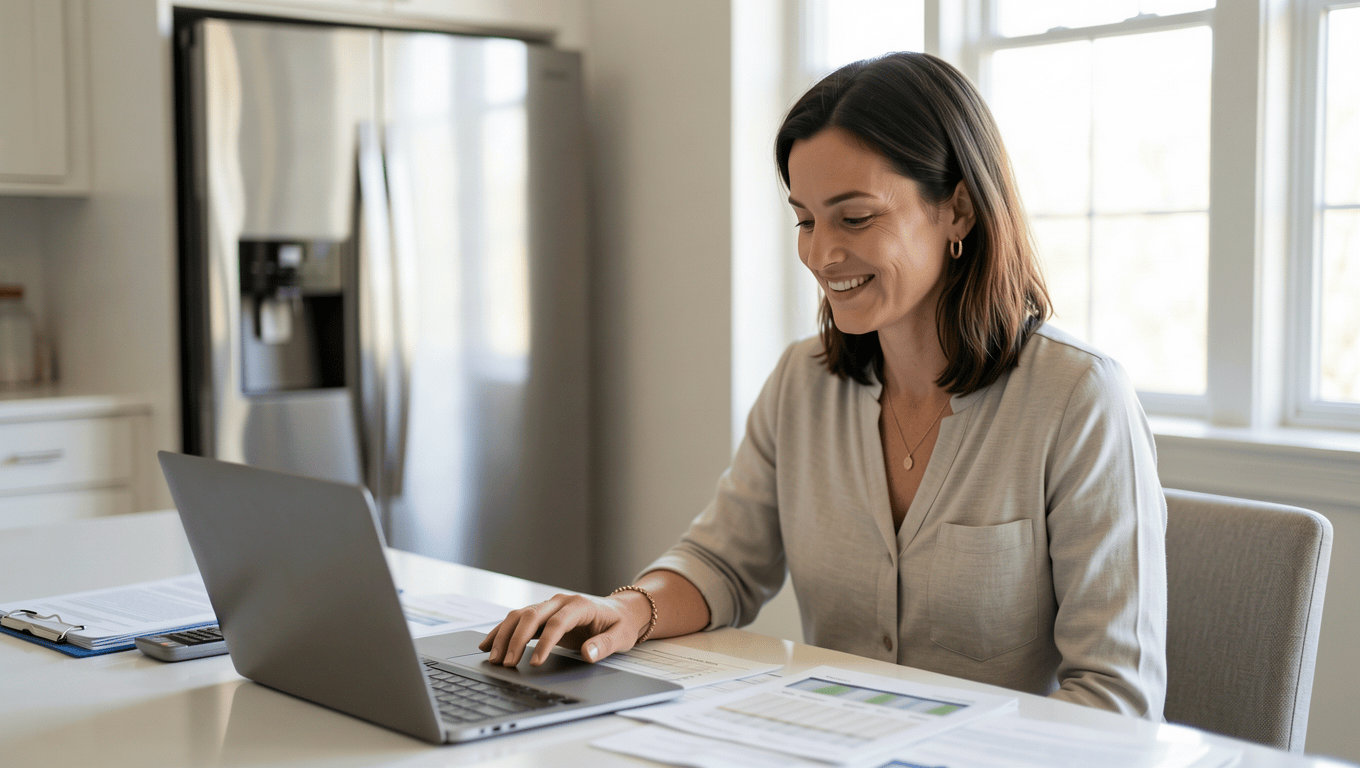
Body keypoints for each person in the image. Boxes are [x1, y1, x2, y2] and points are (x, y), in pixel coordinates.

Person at [479, 52, 1167, 719]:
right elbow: (724, 561)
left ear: (957, 210)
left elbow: (1114, 699)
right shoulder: (801, 385)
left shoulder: (1079, 399)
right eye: (805, 219)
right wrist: (627, 608)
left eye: (855, 217)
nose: (819, 252)